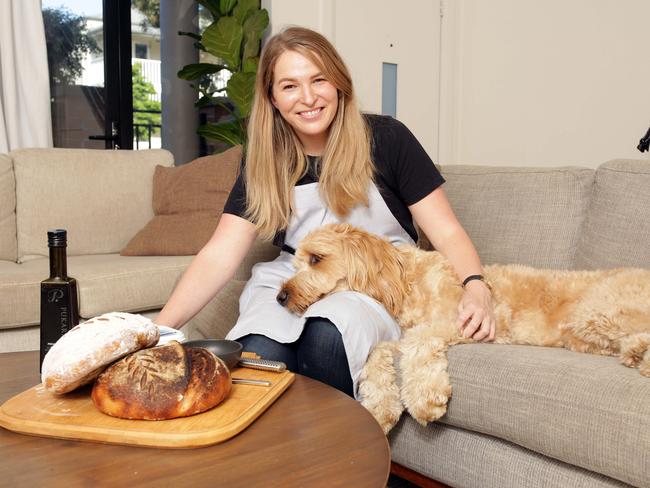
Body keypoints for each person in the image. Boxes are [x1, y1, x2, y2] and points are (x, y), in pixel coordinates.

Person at [156, 26, 495, 398]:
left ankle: (334, 452)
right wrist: (157, 331)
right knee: (258, 353)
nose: (308, 98)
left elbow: (446, 232)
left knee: (327, 337)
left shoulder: (387, 139)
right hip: (293, 275)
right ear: (272, 98)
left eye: (318, 80)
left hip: (369, 279)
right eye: (289, 86)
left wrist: (476, 287)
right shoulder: (265, 161)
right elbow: (220, 255)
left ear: (338, 83)